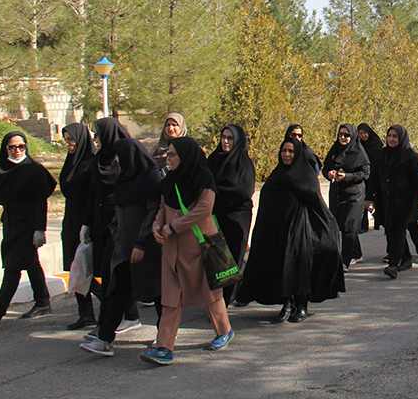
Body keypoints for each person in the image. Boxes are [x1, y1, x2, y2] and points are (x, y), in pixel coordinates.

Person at [144, 137, 233, 366]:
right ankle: (164, 346)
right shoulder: (168, 182)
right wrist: (157, 225)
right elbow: (163, 208)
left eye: (173, 154)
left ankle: (224, 330)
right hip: (173, 248)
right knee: (171, 298)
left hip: (199, 244)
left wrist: (174, 226)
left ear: (186, 156)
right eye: (168, 154)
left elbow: (204, 209)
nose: (169, 158)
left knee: (211, 293)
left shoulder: (203, 178)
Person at [240, 139, 345, 323]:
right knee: (283, 267)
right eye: (284, 151)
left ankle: (301, 305)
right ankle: (287, 303)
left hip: (302, 231)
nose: (286, 155)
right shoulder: (277, 175)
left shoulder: (306, 176)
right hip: (281, 231)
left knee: (300, 266)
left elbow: (317, 204)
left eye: (291, 151)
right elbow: (267, 200)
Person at [80, 138, 162, 357]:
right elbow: (120, 210)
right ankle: (105, 339)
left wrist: (142, 243)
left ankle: (163, 336)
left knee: (156, 293)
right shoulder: (124, 178)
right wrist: (115, 230)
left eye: (119, 155)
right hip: (124, 248)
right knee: (117, 291)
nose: (116, 160)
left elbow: (152, 213)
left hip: (145, 249)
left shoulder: (150, 178)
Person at [0, 132, 57, 329]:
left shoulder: (34, 170)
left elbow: (40, 201)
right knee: (31, 263)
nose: (17, 151)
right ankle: (43, 302)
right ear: (5, 148)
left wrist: (39, 229)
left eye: (21, 147)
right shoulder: (0, 171)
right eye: (12, 147)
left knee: (12, 268)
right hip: (11, 224)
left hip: (28, 224)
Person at [86, 117, 139, 335]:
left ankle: (109, 326)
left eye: (98, 135)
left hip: (122, 224)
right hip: (103, 221)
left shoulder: (127, 157)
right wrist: (86, 223)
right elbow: (93, 192)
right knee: (110, 274)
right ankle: (112, 323)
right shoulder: (100, 158)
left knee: (114, 274)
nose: (95, 140)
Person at [206, 124, 255, 306]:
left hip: (237, 217)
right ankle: (218, 300)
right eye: (223, 137)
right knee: (217, 259)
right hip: (216, 216)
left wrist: (215, 192)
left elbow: (243, 190)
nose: (225, 142)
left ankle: (229, 297)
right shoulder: (213, 160)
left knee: (233, 257)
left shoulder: (243, 163)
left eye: (230, 138)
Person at [371, 125, 418, 279]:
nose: (391, 139)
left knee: (399, 230)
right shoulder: (382, 155)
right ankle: (406, 258)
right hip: (386, 199)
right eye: (389, 136)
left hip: (405, 200)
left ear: (401, 138)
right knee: (390, 228)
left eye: (395, 136)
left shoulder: (410, 156)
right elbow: (374, 177)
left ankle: (393, 264)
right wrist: (369, 197)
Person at [59, 123, 98, 330]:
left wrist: (87, 223)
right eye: (66, 139)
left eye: (72, 139)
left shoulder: (92, 163)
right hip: (71, 219)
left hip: (86, 220)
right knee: (76, 269)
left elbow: (92, 195)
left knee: (86, 268)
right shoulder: (71, 161)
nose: (69, 144)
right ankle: (85, 313)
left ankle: (118, 306)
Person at [322, 124, 370, 272]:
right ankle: (357, 253)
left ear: (352, 136)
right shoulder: (335, 150)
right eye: (341, 134)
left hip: (354, 194)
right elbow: (325, 168)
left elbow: (365, 173)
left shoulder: (359, 152)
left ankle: (345, 261)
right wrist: (329, 174)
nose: (343, 138)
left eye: (346, 135)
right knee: (338, 225)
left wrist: (347, 177)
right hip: (337, 193)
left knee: (349, 226)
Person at [356, 122, 381, 236]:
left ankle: (378, 219)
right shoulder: (358, 146)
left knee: (376, 200)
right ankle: (363, 225)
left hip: (376, 176)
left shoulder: (377, 144)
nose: (363, 136)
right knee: (363, 201)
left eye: (364, 133)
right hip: (364, 177)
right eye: (360, 134)